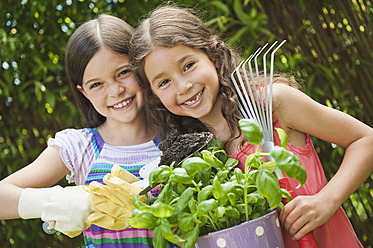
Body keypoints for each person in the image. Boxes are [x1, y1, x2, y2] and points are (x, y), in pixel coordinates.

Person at [128, 5, 373, 248]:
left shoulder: (271, 103)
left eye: (188, 65)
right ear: (155, 95)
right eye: (164, 82)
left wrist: (327, 200)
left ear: (213, 56)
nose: (182, 86)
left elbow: (365, 140)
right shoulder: (194, 161)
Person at [0, 14, 174, 248]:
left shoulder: (177, 133)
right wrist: (52, 201)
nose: (115, 91)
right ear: (84, 92)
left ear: (141, 68)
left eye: (123, 73)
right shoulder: (78, 147)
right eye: (97, 84)